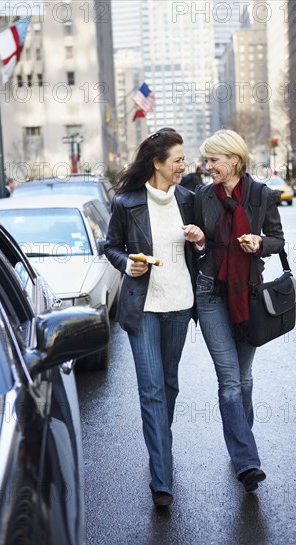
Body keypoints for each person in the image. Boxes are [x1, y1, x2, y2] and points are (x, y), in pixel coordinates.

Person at [104, 128, 204, 507]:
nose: (184, 165)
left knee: (169, 384)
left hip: (180, 303)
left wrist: (200, 240)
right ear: (158, 163)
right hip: (143, 308)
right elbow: (110, 246)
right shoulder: (127, 203)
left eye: (184, 159)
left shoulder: (189, 199)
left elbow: (202, 250)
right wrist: (128, 263)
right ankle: (162, 475)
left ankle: (160, 444)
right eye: (178, 160)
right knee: (151, 390)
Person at [183, 129, 285, 493]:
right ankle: (247, 461)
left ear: (235, 161)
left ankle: (243, 438)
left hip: (249, 294)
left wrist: (259, 243)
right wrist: (198, 243)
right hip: (210, 293)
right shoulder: (202, 196)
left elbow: (278, 240)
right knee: (228, 379)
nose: (207, 166)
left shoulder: (261, 195)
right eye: (206, 160)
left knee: (243, 378)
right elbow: (200, 247)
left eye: (214, 160)